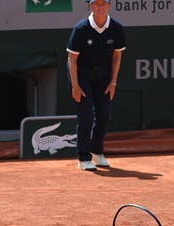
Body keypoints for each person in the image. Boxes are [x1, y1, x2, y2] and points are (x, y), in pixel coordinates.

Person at [67, 0, 126, 171]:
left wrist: (113, 82)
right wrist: (75, 85)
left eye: (103, 4)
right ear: (90, 6)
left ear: (109, 6)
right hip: (81, 74)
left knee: (104, 115)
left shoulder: (117, 28)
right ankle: (83, 158)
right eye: (96, 4)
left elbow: (117, 56)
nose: (100, 8)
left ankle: (97, 152)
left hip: (104, 77)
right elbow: (72, 59)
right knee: (86, 116)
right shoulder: (81, 29)